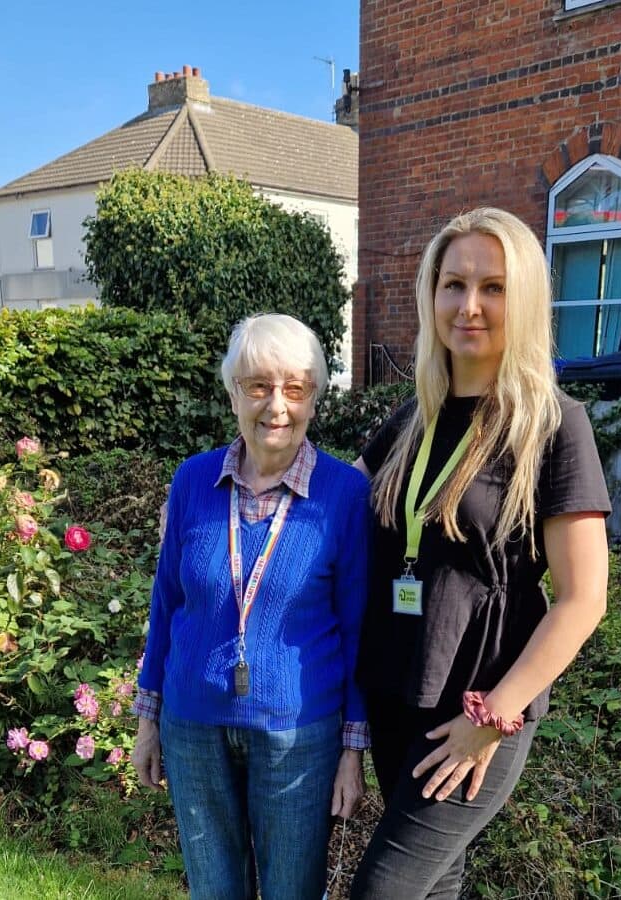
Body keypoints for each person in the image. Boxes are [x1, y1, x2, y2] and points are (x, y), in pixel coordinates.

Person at [350, 208, 611, 899]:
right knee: (437, 885)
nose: (469, 306)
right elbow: (326, 506)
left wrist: (491, 717)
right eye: (453, 284)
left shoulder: (553, 426)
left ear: (522, 300)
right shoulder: (411, 421)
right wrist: (217, 489)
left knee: (384, 891)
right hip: (396, 690)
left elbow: (585, 598)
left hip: (479, 705)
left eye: (493, 288)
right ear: (430, 295)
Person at [131, 313, 371, 900]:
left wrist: (352, 749)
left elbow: (361, 628)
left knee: (293, 891)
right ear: (233, 391)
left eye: (295, 388)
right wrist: (147, 717)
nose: (276, 406)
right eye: (258, 386)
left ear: (315, 397)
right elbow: (166, 603)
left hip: (299, 731)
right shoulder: (191, 481)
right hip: (192, 724)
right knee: (213, 891)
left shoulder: (345, 494)